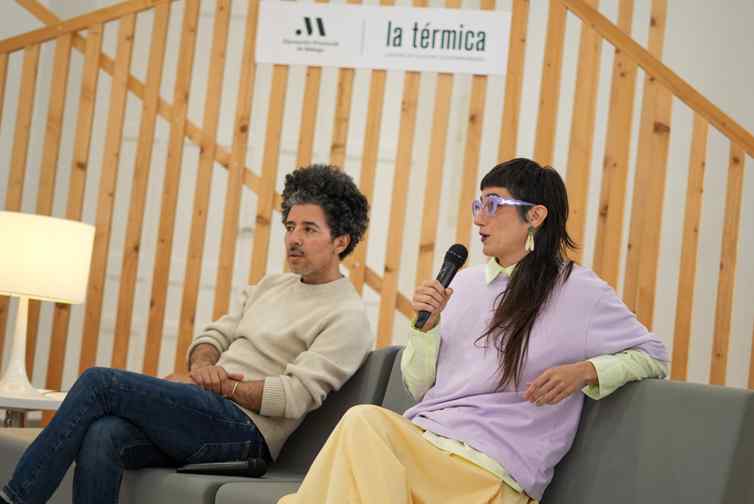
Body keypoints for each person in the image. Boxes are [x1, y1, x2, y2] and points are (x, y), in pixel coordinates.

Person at [278, 158, 668, 504]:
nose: (479, 219)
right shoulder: (461, 286)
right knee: (356, 446)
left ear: (535, 216)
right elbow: (418, 386)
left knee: (362, 425)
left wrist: (586, 371)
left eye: (493, 205)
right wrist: (427, 328)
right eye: (478, 206)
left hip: (489, 473)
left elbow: (653, 355)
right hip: (427, 450)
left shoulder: (578, 290)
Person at [0, 164, 373, 504]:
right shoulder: (271, 285)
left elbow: (293, 397)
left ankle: (17, 498)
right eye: (290, 227)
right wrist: (203, 366)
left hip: (247, 434)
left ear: (340, 241)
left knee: (100, 383)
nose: (294, 239)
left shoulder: (347, 316)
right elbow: (213, 337)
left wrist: (221, 386)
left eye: (309, 229)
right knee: (105, 433)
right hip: (207, 410)